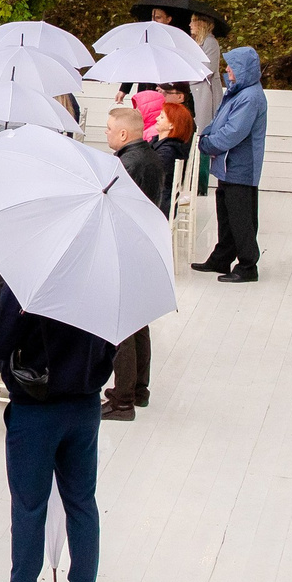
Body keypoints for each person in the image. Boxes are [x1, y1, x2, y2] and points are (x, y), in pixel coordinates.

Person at [0, 275, 115, 582]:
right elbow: (113, 343)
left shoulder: (30, 276)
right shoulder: (103, 279)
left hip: (37, 404)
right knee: (81, 500)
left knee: (29, 505)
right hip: (84, 403)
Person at [103, 106, 174, 416]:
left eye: (108, 129)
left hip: (126, 245)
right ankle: (138, 388)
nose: (105, 133)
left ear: (123, 134)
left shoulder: (128, 164)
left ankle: (122, 399)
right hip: (142, 243)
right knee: (137, 321)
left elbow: (111, 203)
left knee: (122, 324)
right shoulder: (149, 156)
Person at [191, 45, 267, 283]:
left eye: (232, 66)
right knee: (226, 215)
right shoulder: (237, 92)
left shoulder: (250, 97)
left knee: (241, 218)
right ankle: (221, 258)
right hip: (228, 165)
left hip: (241, 167)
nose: (227, 69)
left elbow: (233, 132)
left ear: (243, 69)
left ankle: (247, 265)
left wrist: (207, 144)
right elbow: (219, 121)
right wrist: (207, 135)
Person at [189, 13, 226, 188]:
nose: (190, 24)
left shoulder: (210, 42)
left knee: (203, 133)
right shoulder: (194, 42)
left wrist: (186, 76)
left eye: (193, 21)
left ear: (202, 24)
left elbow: (207, 70)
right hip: (194, 90)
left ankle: (201, 182)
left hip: (205, 92)